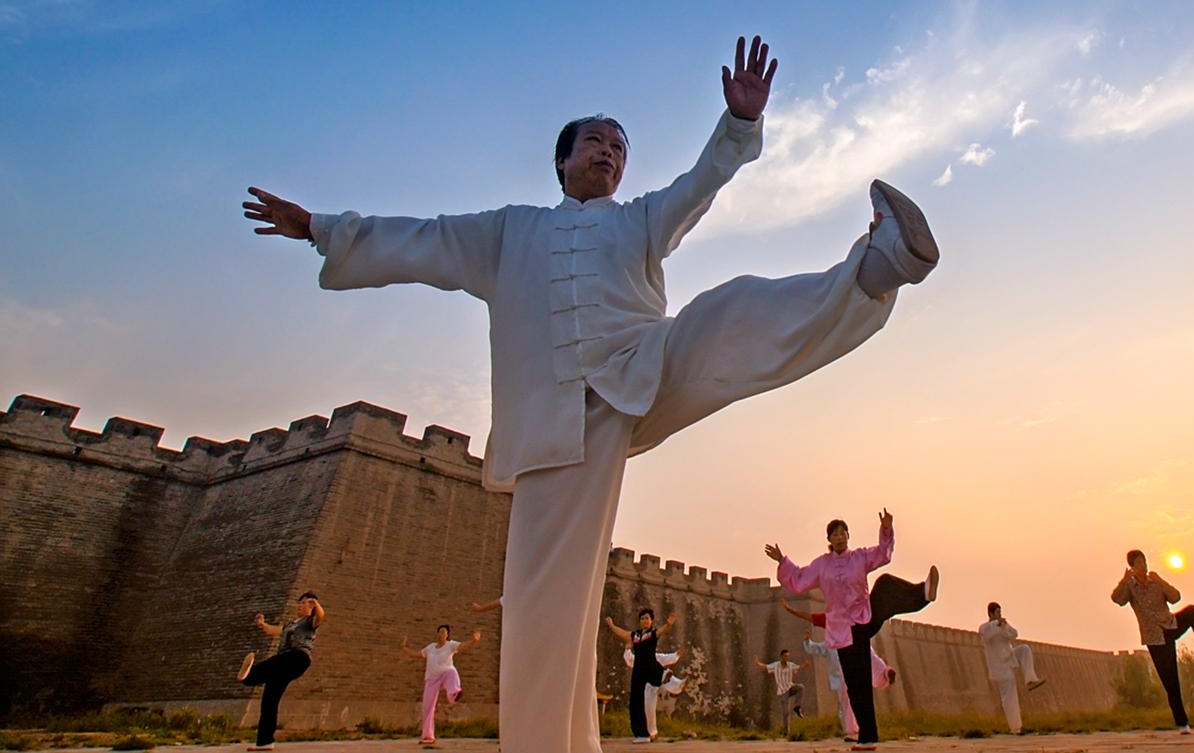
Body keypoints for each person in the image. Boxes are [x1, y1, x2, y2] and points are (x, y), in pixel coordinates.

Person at [242, 38, 940, 753]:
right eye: (595, 142)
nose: (608, 152)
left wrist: (736, 123)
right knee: (546, 608)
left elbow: (697, 184)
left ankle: (876, 268)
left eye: (619, 146)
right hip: (550, 426)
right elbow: (424, 239)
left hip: (645, 368)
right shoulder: (507, 230)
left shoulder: (638, 219)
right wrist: (322, 229)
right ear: (563, 159)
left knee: (723, 314)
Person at [767, 510, 937, 750]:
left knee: (885, 583)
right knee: (857, 685)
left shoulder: (859, 557)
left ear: (848, 536)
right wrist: (783, 561)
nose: (839, 537)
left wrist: (886, 529)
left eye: (843, 533)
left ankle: (923, 594)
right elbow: (800, 579)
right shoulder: (822, 565)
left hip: (864, 618)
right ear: (830, 539)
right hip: (842, 632)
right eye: (835, 534)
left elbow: (882, 555)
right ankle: (867, 738)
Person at [1110, 551, 1194, 735]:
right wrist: (1123, 581)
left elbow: (1175, 597)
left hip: (1170, 625)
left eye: (1145, 562)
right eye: (1139, 563)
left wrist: (1161, 580)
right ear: (1133, 566)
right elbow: (1117, 600)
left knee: (1192, 612)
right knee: (1170, 680)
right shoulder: (1130, 587)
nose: (1144, 566)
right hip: (1154, 638)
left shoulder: (1155, 582)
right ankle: (1182, 723)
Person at [783, 601, 893, 741]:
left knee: (849, 702)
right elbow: (815, 644)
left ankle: (853, 730)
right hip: (844, 675)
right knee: (848, 703)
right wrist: (807, 640)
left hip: (851, 667)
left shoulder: (841, 626)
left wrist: (791, 610)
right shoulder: (831, 642)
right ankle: (853, 731)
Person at [235, 592, 325, 751]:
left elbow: (321, 617)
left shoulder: (309, 622)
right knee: (269, 699)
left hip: (298, 657)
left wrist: (316, 605)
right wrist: (263, 625)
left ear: (311, 606)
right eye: (300, 602)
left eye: (304, 603)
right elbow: (276, 631)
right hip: (283, 663)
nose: (300, 605)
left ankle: (249, 676)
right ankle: (265, 742)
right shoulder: (291, 624)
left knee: (271, 664)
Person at [604, 608, 679, 743]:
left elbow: (663, 631)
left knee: (659, 670)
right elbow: (623, 634)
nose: (645, 620)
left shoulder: (652, 634)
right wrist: (612, 626)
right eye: (642, 618)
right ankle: (642, 734)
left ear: (651, 620)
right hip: (638, 671)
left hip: (650, 666)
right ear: (640, 621)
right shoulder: (636, 635)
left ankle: (667, 677)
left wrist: (669, 624)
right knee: (636, 702)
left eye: (647, 618)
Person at [401, 626, 484, 747]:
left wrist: (474, 641)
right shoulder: (430, 647)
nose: (441, 634)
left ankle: (454, 694)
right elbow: (417, 654)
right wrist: (403, 647)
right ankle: (428, 736)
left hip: (445, 674)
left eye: (444, 632)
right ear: (437, 634)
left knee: (452, 671)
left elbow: (463, 646)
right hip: (432, 679)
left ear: (447, 635)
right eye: (440, 631)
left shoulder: (450, 645)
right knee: (427, 707)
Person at [979, 602, 1046, 734]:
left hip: (1009, 659)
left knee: (1024, 649)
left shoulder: (1002, 626)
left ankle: (1030, 680)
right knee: (1009, 696)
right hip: (999, 667)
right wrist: (996, 625)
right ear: (991, 614)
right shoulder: (985, 627)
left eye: (1000, 612)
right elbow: (986, 634)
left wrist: (1004, 627)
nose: (999, 615)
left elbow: (1014, 634)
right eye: (997, 613)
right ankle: (1016, 728)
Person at [622, 645, 687, 741]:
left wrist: (676, 655)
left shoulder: (655, 657)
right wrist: (627, 649)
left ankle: (677, 684)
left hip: (652, 685)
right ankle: (651, 733)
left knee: (649, 709)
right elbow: (629, 659)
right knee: (648, 710)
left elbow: (666, 658)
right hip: (644, 687)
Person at [754, 648, 809, 733]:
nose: (786, 658)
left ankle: (797, 707)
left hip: (790, 687)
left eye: (787, 656)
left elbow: (798, 667)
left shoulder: (790, 665)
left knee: (801, 687)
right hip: (782, 691)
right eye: (785, 656)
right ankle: (786, 731)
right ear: (781, 657)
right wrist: (757, 663)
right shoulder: (776, 665)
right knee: (785, 712)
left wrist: (805, 665)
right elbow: (765, 667)